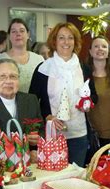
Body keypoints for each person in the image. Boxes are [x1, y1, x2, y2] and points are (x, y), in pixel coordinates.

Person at [29, 22, 97, 166]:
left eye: (70, 38)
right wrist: (47, 116)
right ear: (54, 41)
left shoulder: (83, 68)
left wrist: (88, 104)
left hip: (79, 134)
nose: (66, 42)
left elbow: (94, 96)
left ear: (75, 41)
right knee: (54, 178)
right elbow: (32, 102)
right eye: (61, 38)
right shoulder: (43, 69)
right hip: (52, 136)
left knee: (75, 178)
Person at [0, 58, 42, 162]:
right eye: (2, 77)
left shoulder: (31, 100)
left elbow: (41, 130)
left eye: (13, 76)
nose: (8, 81)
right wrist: (24, 153)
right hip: (0, 168)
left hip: (32, 166)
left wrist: (37, 143)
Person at [0, 18, 44, 96]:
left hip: (35, 106)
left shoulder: (39, 60)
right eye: (14, 31)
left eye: (22, 31)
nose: (18, 34)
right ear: (9, 36)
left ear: (28, 34)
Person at [85, 36, 110, 147]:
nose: (100, 49)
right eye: (96, 46)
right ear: (90, 52)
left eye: (104, 46)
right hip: (91, 133)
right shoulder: (83, 76)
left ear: (108, 52)